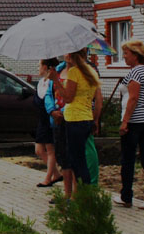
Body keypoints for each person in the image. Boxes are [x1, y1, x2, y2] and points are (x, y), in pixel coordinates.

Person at [116, 40, 144, 211]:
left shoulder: (135, 73)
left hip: (135, 121)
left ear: (135, 55)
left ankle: (126, 196)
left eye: (126, 53)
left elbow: (133, 98)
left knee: (128, 159)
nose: (124, 57)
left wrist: (125, 120)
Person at [53, 48, 100, 199]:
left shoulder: (74, 72)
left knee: (76, 161)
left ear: (72, 54)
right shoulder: (91, 71)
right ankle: (86, 193)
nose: (64, 53)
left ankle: (83, 196)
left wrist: (56, 80)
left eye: (67, 51)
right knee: (80, 159)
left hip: (74, 119)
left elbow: (68, 98)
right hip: (86, 118)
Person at [34, 59, 60, 188]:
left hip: (49, 120)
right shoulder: (40, 83)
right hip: (41, 120)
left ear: (46, 67)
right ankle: (56, 174)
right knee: (39, 150)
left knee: (50, 150)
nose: (37, 68)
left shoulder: (52, 83)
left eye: (39, 65)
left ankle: (48, 178)